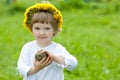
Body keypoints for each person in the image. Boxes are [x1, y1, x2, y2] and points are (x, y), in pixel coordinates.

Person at [17, 2, 77, 80]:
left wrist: (55, 58)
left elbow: (73, 64)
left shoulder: (58, 49)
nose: (42, 33)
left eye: (47, 28)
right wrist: (36, 69)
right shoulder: (28, 47)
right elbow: (21, 68)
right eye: (37, 28)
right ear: (31, 29)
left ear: (54, 30)